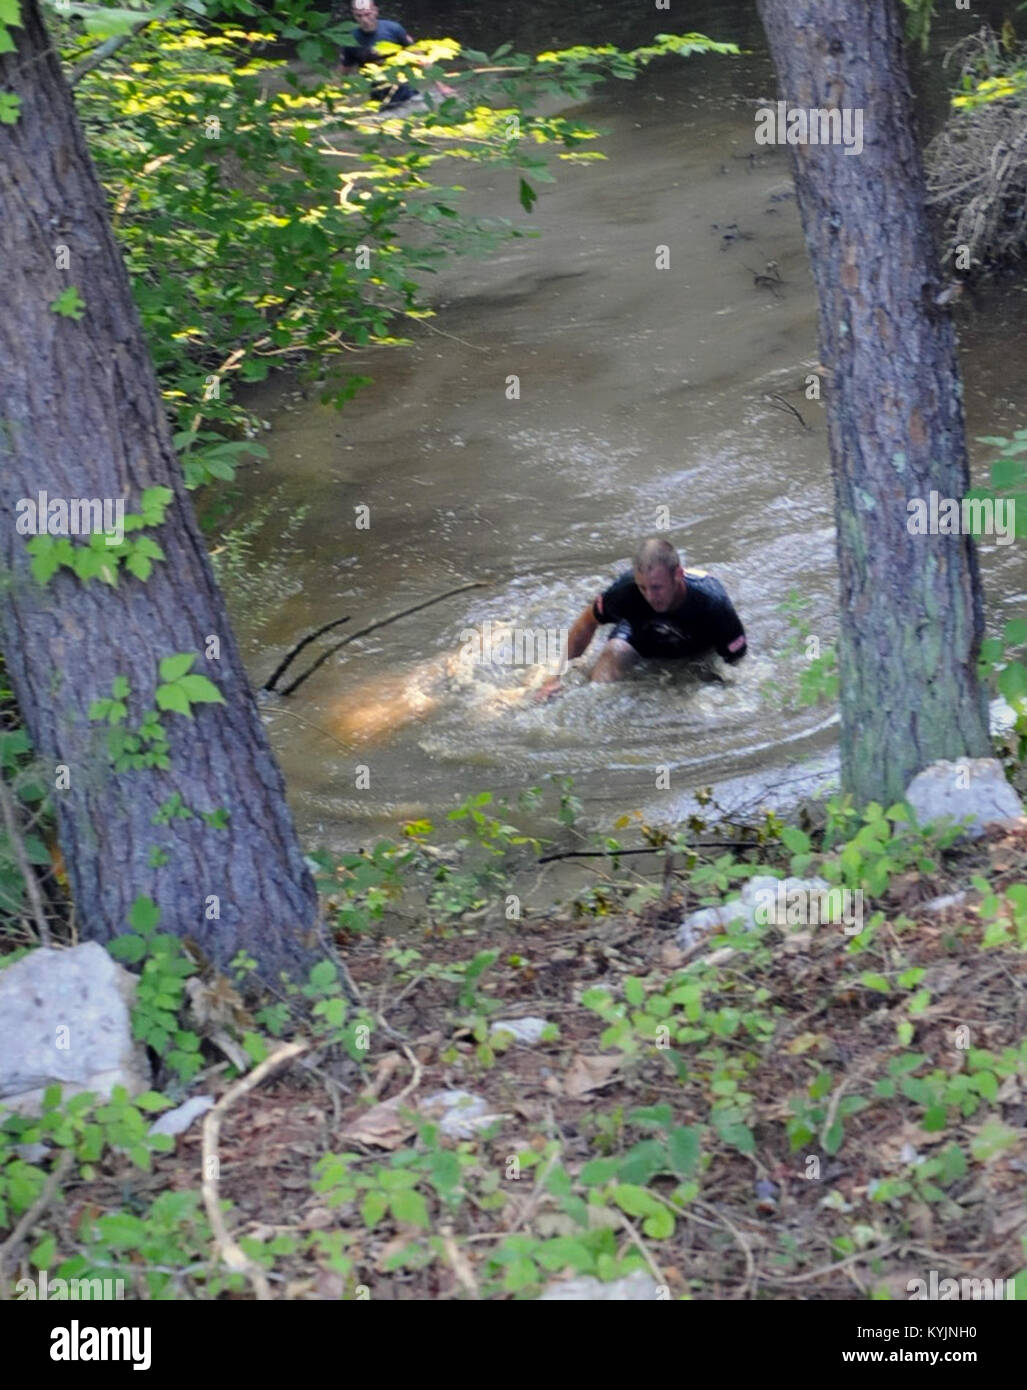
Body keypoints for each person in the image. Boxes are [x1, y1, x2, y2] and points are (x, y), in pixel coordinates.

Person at [545, 537, 747, 694]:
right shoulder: (626, 590)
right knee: (602, 677)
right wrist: (556, 676)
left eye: (657, 587)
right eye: (643, 587)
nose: (650, 597)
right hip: (639, 636)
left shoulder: (712, 602)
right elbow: (587, 621)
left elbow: (736, 664)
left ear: (678, 575)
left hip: (695, 651)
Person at [339, 1, 419, 108]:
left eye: (367, 14)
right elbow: (344, 73)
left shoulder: (394, 29)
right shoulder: (350, 40)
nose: (364, 20)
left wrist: (440, 85)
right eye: (359, 16)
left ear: (375, 11)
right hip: (378, 99)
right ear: (353, 15)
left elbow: (420, 56)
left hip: (407, 94)